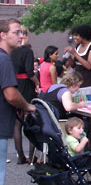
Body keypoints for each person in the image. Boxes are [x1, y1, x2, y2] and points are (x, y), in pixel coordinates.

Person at [0, 18, 36, 184]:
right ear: (3, 35)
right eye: (16, 32)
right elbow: (11, 95)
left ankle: (20, 155)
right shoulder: (5, 59)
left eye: (22, 32)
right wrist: (28, 106)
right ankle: (25, 155)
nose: (21, 36)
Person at [10, 25, 39, 165]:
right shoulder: (27, 51)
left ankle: (20, 156)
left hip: (15, 85)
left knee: (17, 123)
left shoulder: (11, 51)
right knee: (32, 120)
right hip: (26, 86)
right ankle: (32, 156)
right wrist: (37, 82)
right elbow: (29, 72)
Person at [64, 25, 91, 97]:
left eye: (76, 35)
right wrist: (69, 56)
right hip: (77, 82)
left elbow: (89, 66)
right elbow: (74, 65)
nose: (74, 37)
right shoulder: (78, 46)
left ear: (83, 35)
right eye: (73, 35)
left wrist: (75, 54)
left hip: (88, 83)